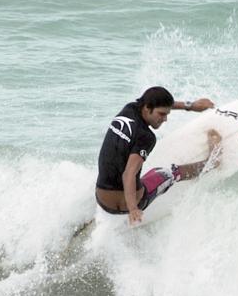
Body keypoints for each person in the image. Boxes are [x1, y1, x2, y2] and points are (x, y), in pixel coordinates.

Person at [95, 86, 222, 225]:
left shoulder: (128, 110)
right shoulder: (146, 137)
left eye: (167, 113)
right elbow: (128, 174)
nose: (165, 119)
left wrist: (191, 106)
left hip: (102, 199)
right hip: (128, 203)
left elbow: (159, 104)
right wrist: (133, 209)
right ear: (147, 108)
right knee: (170, 172)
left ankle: (94, 221)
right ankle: (212, 163)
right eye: (161, 114)